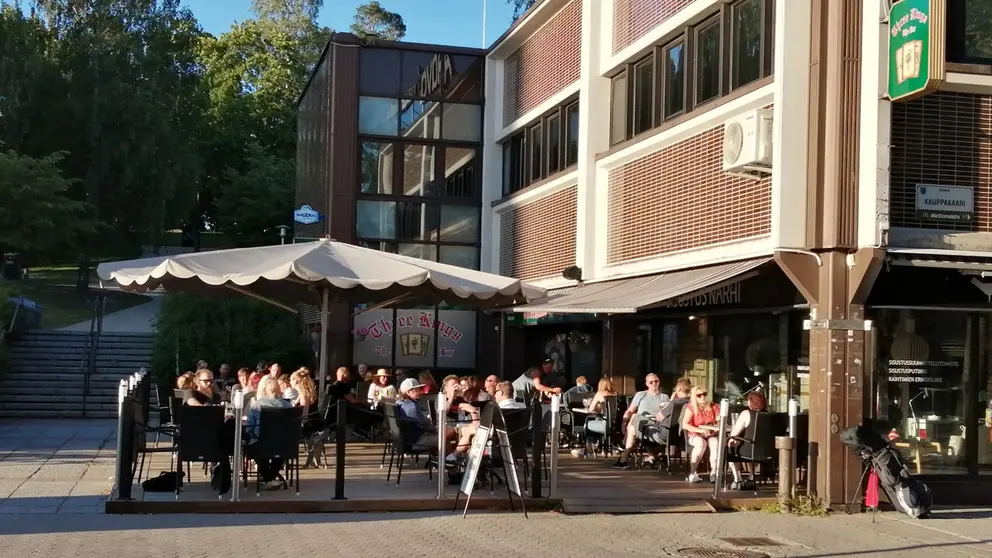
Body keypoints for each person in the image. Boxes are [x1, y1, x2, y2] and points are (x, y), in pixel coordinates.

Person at [613, 374, 670, 469]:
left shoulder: (664, 397)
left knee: (633, 423)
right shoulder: (641, 395)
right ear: (647, 384)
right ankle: (625, 457)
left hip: (656, 426)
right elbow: (630, 410)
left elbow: (666, 415)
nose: (654, 384)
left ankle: (624, 455)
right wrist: (624, 421)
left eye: (656, 381)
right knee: (635, 417)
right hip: (642, 426)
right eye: (651, 382)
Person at [246, 376, 292, 490]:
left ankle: (268, 478)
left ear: (264, 389)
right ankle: (271, 478)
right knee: (280, 452)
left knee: (254, 448)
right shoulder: (287, 406)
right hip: (283, 446)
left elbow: (249, 428)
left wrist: (251, 436)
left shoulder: (257, 405)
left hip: (262, 443)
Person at [727, 391, 768, 490]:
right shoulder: (769, 415)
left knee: (731, 446)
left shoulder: (746, 413)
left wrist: (732, 438)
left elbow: (734, 433)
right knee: (748, 446)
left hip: (750, 450)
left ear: (751, 402)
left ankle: (737, 480)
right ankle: (751, 478)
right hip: (766, 450)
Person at [682, 386, 720, 483]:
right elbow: (684, 424)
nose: (702, 397)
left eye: (704, 394)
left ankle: (713, 473)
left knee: (715, 444)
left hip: (711, 434)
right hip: (695, 434)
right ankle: (692, 473)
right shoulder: (691, 407)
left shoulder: (714, 406)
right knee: (700, 443)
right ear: (694, 397)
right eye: (699, 395)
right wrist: (700, 431)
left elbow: (719, 423)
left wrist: (714, 429)